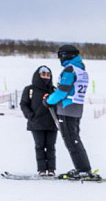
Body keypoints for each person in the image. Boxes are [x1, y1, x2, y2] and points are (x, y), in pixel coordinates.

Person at [45, 44, 95, 179]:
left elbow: (62, 90)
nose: (59, 59)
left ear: (66, 56)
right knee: (74, 139)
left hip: (67, 109)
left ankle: (83, 169)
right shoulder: (81, 70)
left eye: (60, 56)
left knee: (71, 140)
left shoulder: (70, 69)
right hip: (77, 108)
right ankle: (83, 168)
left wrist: (49, 101)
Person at [20, 66, 57, 176]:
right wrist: (30, 116)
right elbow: (23, 104)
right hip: (36, 123)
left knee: (51, 146)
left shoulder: (54, 90)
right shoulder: (29, 89)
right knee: (39, 146)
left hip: (52, 123)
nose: (46, 77)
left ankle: (51, 169)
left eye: (48, 75)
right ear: (38, 75)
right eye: (43, 74)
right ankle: (41, 169)